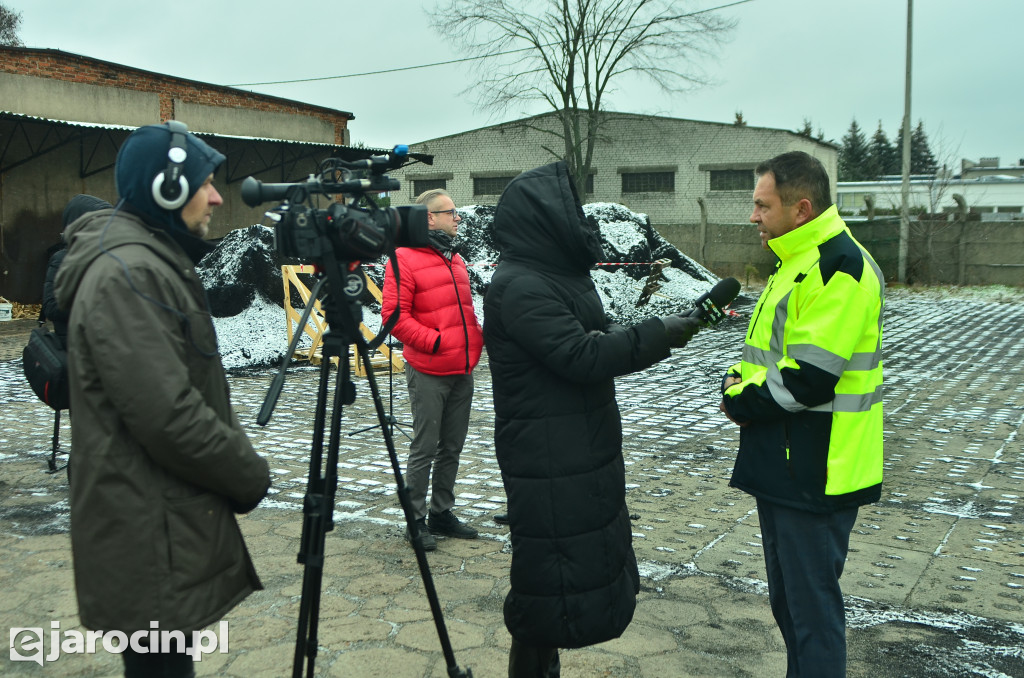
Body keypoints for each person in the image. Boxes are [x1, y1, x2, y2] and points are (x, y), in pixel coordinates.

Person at [54, 121, 272, 678]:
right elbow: (168, 414)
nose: (218, 196)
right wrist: (247, 473)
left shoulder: (146, 260)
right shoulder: (128, 274)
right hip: (146, 527)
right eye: (205, 182)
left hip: (156, 518)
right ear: (166, 190)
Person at [483, 160, 701, 677]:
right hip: (548, 453)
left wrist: (643, 335)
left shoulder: (556, 275)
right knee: (544, 581)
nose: (582, 221)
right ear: (543, 219)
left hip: (576, 445)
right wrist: (659, 333)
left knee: (565, 572)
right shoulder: (519, 285)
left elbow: (593, 340)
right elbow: (582, 355)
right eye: (571, 211)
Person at [720, 151, 884, 677]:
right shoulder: (798, 264)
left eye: (762, 206)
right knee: (790, 605)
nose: (753, 218)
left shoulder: (841, 267)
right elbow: (766, 356)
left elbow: (806, 378)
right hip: (786, 461)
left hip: (819, 468)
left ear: (802, 209)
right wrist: (734, 382)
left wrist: (737, 401)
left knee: (811, 612)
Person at [381, 188, 484, 551]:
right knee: (425, 446)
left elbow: (463, 312)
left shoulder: (455, 259)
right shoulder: (403, 259)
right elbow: (394, 317)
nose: (457, 218)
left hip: (463, 369)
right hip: (428, 370)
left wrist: (475, 339)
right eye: (451, 212)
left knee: (452, 446)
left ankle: (442, 513)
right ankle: (416, 519)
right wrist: (437, 342)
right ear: (429, 218)